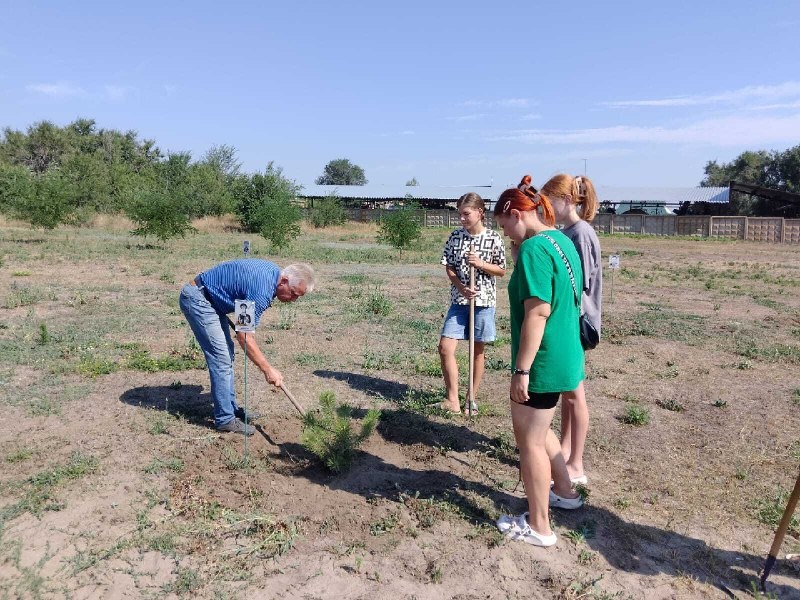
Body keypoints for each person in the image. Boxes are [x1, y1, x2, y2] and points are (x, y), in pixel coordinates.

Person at [492, 185, 584, 547]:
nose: (505, 235)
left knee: (529, 441)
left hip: (541, 361)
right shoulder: (560, 241)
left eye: (504, 226)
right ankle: (565, 490)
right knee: (540, 429)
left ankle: (539, 526)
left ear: (517, 214)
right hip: (565, 354)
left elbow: (538, 312)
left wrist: (522, 370)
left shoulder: (533, 249)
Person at [179, 260, 315, 435]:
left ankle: (231, 409)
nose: (294, 300)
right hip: (200, 300)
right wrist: (268, 370)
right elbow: (244, 337)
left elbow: (242, 325)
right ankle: (225, 419)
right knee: (221, 359)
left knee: (226, 356)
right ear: (284, 281)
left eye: (298, 297)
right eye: (294, 294)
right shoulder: (261, 291)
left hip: (211, 299)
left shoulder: (273, 275)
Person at [543, 174, 602, 485]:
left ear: (566, 200)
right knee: (569, 392)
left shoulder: (581, 233)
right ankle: (565, 451)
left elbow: (579, 283)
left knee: (575, 394)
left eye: (549, 200)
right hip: (569, 319)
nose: (545, 206)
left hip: (577, 321)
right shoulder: (568, 231)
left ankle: (576, 464)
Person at [438, 193, 506, 413]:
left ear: (480, 212)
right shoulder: (456, 236)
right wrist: (460, 287)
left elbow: (501, 270)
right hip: (459, 301)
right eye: (460, 214)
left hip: (483, 302)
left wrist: (481, 263)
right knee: (445, 348)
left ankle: (471, 399)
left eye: (466, 214)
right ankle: (452, 400)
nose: (462, 219)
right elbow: (449, 266)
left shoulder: (494, 238)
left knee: (477, 351)